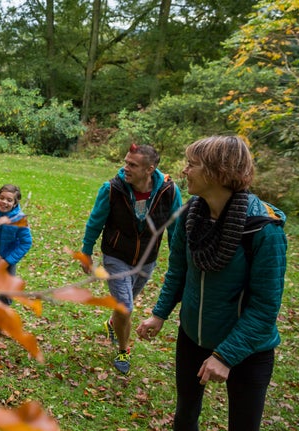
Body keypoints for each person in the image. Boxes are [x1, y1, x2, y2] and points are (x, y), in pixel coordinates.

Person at [137, 135, 287, 431]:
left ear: (219, 172)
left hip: (248, 350)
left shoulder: (263, 230)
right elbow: (178, 271)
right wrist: (159, 314)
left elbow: (265, 308)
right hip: (192, 337)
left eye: (191, 165)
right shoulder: (190, 215)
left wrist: (225, 355)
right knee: (185, 416)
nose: (184, 171)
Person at [79, 143, 182, 373]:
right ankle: (123, 350)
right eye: (126, 162)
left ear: (149, 169)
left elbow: (176, 228)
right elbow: (95, 221)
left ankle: (113, 324)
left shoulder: (169, 191)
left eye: (132, 165)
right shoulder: (112, 189)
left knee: (123, 304)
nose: (125, 167)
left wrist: (179, 258)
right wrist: (86, 250)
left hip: (148, 258)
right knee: (125, 306)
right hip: (116, 255)